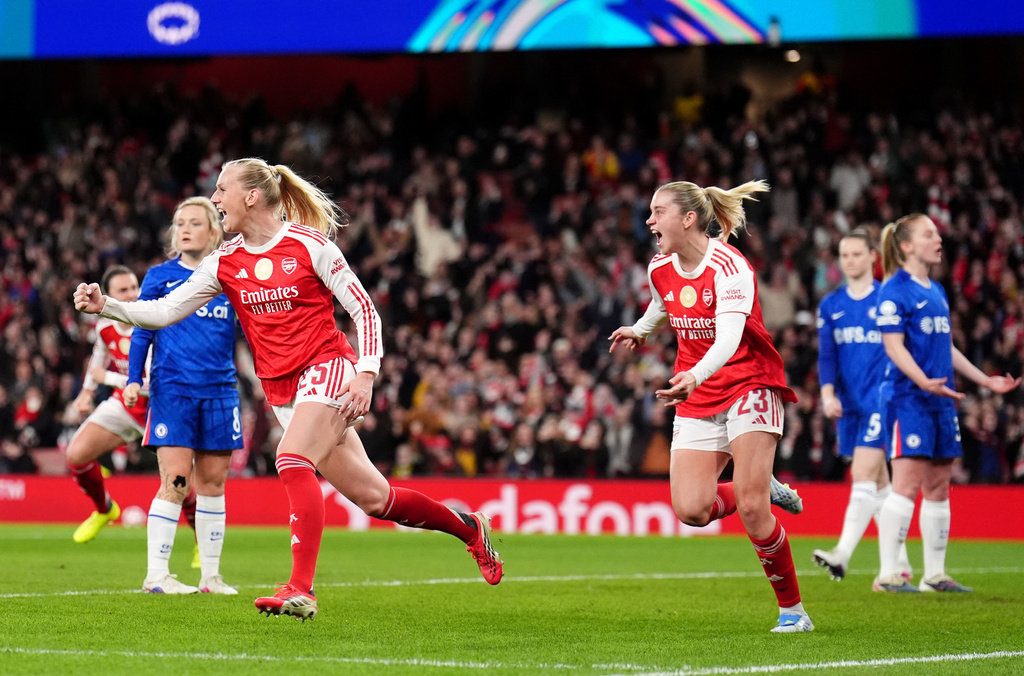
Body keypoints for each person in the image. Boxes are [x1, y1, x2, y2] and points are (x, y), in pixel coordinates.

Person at [74, 157, 502, 621]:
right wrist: (109, 306)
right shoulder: (226, 261)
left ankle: (301, 588)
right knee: (377, 499)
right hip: (283, 392)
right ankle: (469, 528)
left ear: (251, 196)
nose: (215, 199)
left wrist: (366, 372)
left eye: (221, 190)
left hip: (329, 367)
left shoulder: (310, 245)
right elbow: (163, 312)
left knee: (291, 459)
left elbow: (365, 311)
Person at [609, 179, 812, 633]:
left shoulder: (730, 265)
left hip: (749, 382)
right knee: (692, 509)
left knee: (754, 509)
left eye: (657, 211)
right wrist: (640, 328)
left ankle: (793, 612)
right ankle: (755, 480)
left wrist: (695, 375)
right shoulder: (659, 265)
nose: (648, 220)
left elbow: (729, 338)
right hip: (697, 389)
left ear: (688, 219)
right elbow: (665, 304)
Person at [873, 213, 1019, 593]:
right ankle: (888, 574)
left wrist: (984, 379)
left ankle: (933, 575)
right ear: (906, 246)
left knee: (939, 486)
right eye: (929, 234)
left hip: (940, 399)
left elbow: (946, 348)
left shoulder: (935, 290)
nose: (939, 239)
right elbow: (893, 346)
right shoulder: (894, 290)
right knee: (905, 484)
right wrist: (923, 381)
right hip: (909, 398)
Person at [122, 197, 241, 595]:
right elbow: (141, 328)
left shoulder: (231, 276)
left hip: (221, 391)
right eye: (179, 223)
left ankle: (211, 576)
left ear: (213, 231)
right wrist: (133, 378)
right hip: (173, 388)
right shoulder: (159, 276)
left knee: (213, 484)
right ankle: (156, 576)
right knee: (175, 480)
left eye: (194, 222)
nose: (185, 229)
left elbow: (253, 333)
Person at [812, 229, 912, 580]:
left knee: (863, 473)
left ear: (873, 256)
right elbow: (827, 357)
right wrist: (827, 394)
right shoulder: (831, 306)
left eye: (856, 254)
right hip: (849, 405)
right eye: (844, 255)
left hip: (884, 399)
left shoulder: (888, 299)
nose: (850, 260)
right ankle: (899, 565)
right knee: (880, 484)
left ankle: (841, 554)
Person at [65, 265, 146, 543]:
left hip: (160, 410)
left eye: (135, 287)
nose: (133, 294)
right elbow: (97, 360)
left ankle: (201, 550)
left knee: (183, 483)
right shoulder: (105, 325)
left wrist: (109, 378)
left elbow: (157, 384)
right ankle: (105, 509)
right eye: (123, 290)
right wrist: (87, 392)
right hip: (125, 405)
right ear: (108, 297)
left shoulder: (152, 325)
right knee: (76, 455)